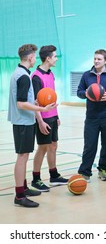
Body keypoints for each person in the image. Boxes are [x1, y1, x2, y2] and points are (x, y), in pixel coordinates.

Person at [8, 44, 57, 208]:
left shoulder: (20, 73)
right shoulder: (23, 76)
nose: (35, 58)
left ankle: (24, 187)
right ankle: (20, 196)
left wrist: (34, 103)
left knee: (24, 156)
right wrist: (41, 108)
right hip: (23, 122)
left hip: (24, 121)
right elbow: (21, 104)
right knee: (22, 157)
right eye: (34, 56)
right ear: (30, 58)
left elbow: (24, 101)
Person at [77, 49, 106, 182]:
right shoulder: (87, 75)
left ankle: (103, 169)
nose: (96, 61)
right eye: (95, 59)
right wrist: (85, 93)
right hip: (92, 116)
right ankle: (85, 172)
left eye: (99, 59)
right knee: (90, 144)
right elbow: (79, 91)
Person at [31, 45, 68, 192]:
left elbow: (51, 97)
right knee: (42, 148)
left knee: (53, 146)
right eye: (54, 56)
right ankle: (36, 179)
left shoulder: (51, 74)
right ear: (48, 58)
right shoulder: (36, 77)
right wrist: (40, 121)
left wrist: (56, 115)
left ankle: (54, 175)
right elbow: (34, 102)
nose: (56, 59)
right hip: (42, 118)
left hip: (52, 117)